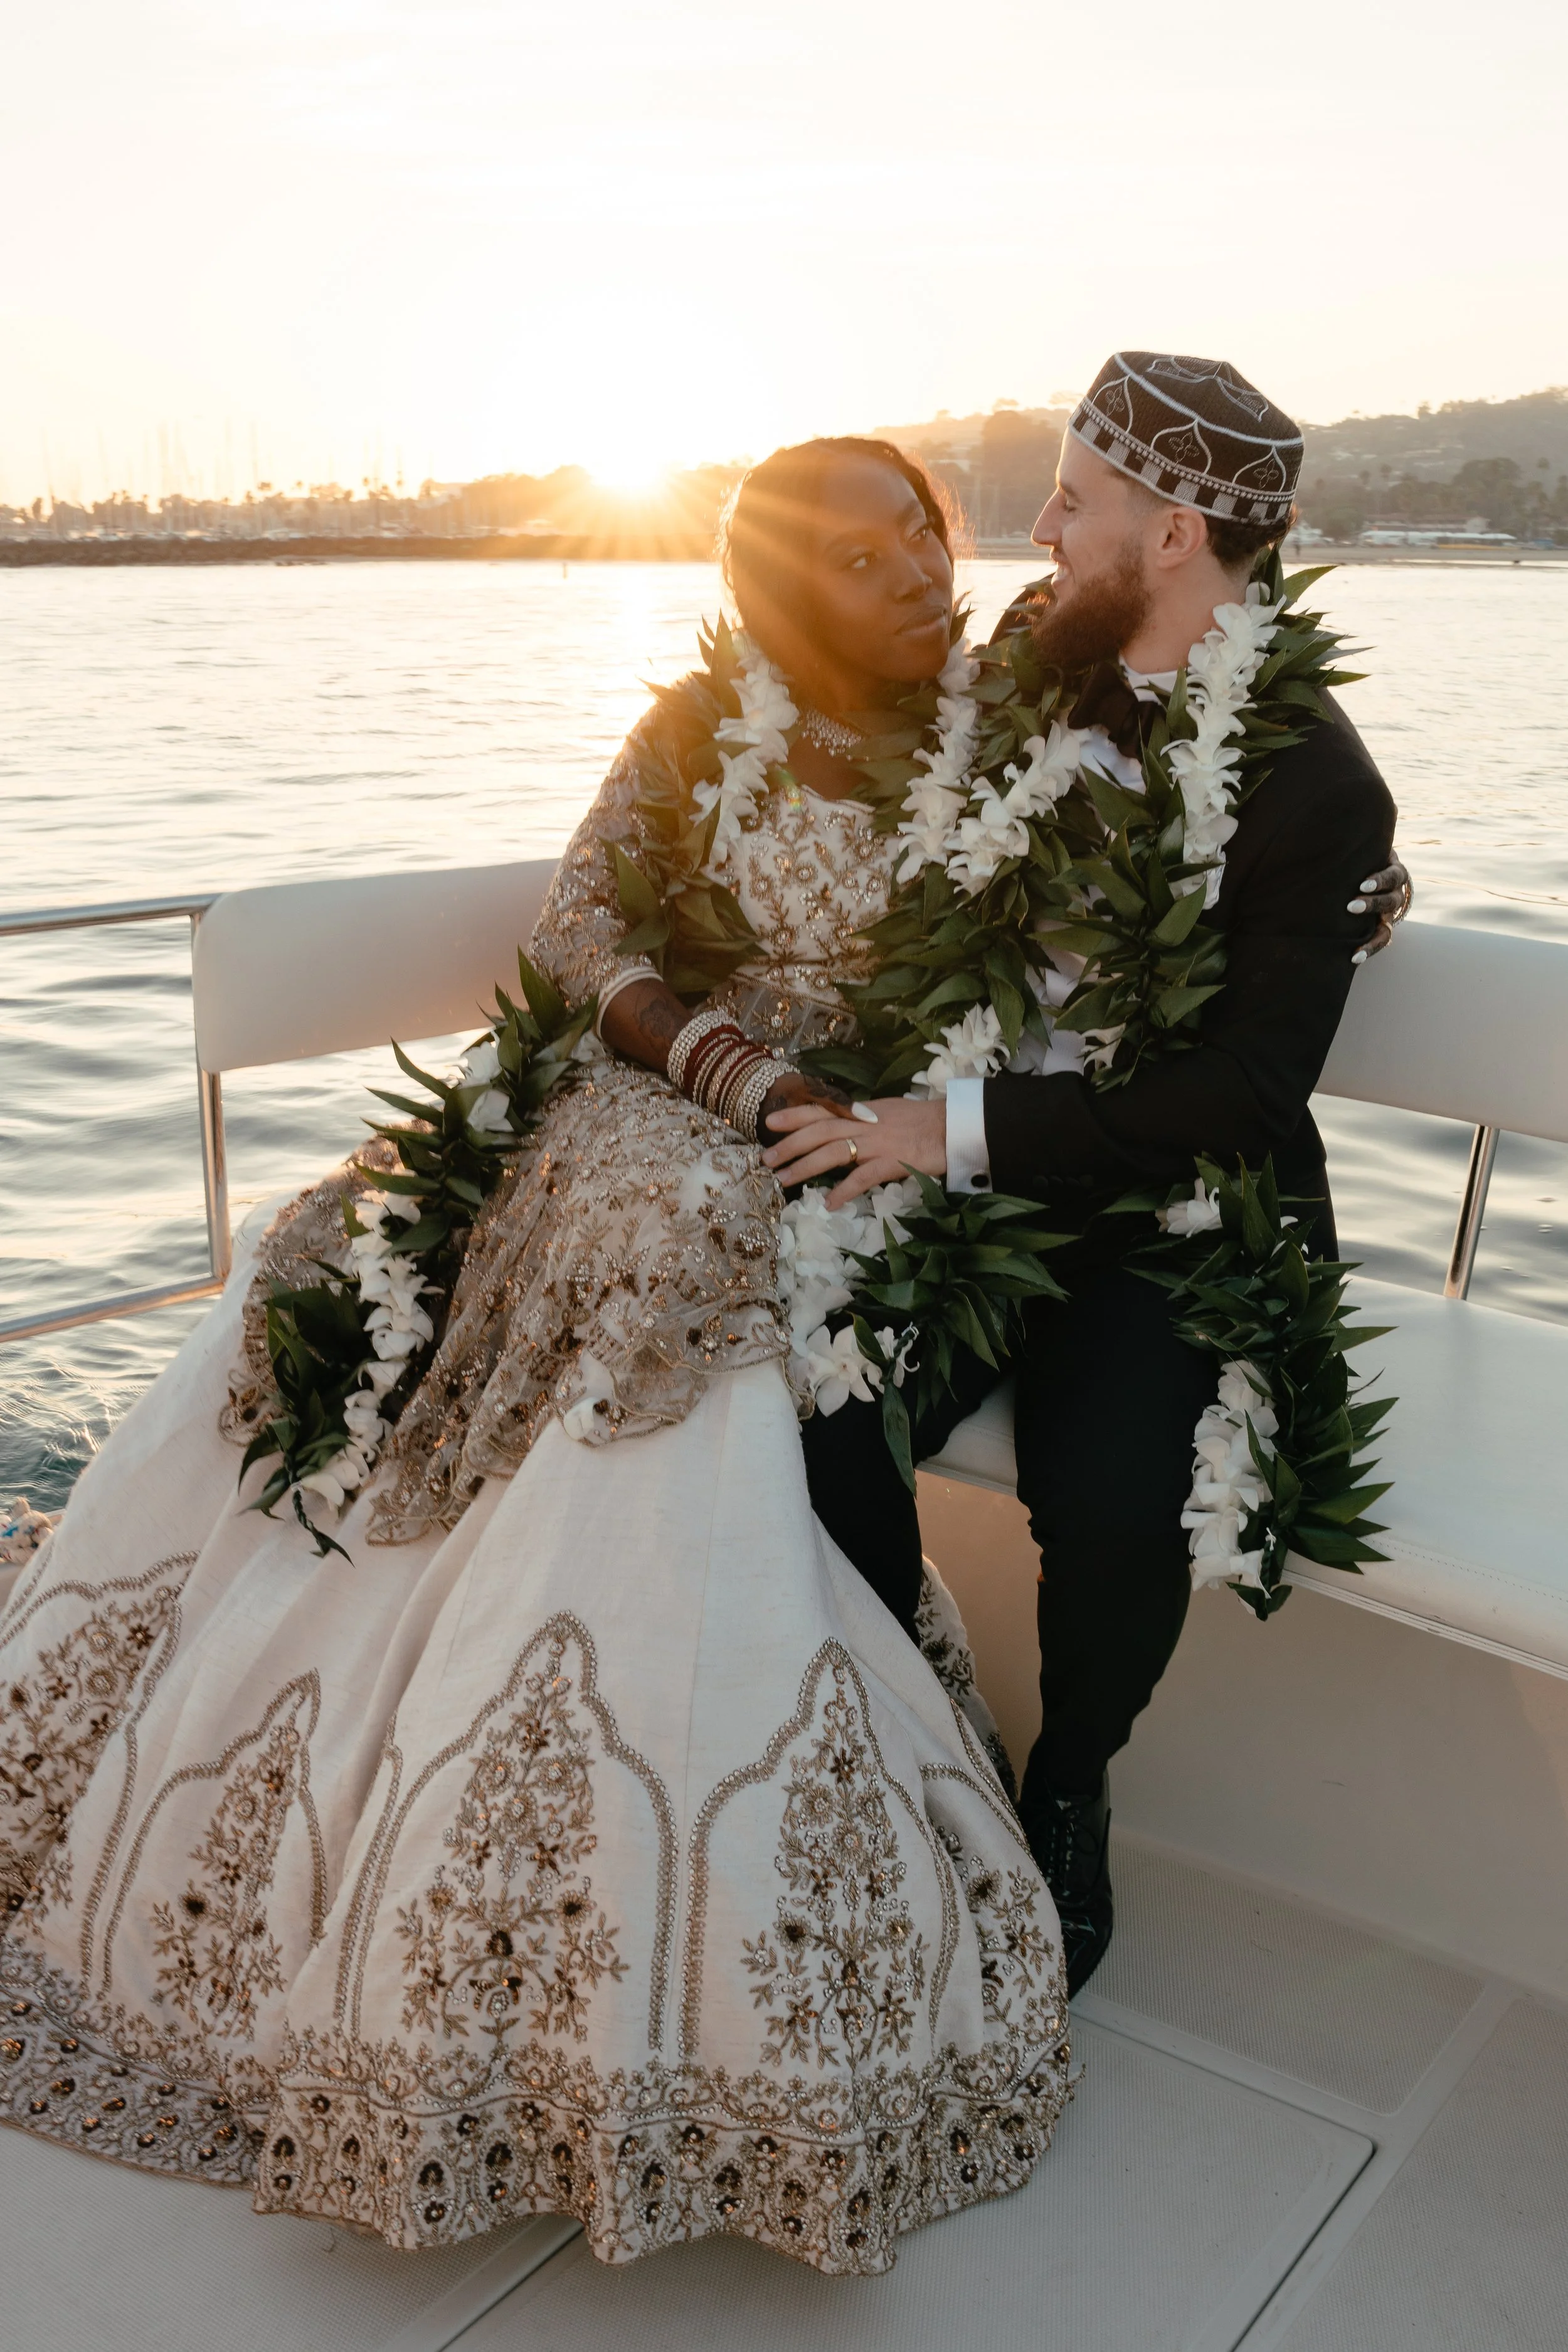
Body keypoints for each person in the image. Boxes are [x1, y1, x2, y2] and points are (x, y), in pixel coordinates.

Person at [0, 437, 1074, 2276]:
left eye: (920, 530)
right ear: (782, 598)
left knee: (686, 1241)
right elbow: (579, 929)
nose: (913, 569)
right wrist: (723, 1065)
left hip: (883, 1148)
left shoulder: (1015, 734)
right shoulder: (699, 727)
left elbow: (1162, 835)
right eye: (857, 556)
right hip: (674, 1095)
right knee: (396, 1236)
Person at [768, 355, 1404, 1998]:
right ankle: (915, 1738)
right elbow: (848, 744)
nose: (1039, 528)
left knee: (1110, 1494)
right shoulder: (1021, 665)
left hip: (1164, 1208)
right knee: (815, 1401)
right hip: (961, 1167)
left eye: (1072, 500)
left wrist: (948, 1128)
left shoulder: (1320, 789)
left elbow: (1240, 1096)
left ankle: (1067, 1783)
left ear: (1173, 534)